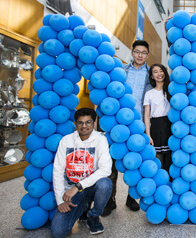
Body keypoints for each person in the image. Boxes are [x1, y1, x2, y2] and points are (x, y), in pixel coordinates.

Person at [104, 40, 152, 216]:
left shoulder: (151, 74)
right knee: (112, 163)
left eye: (144, 52)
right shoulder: (121, 71)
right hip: (118, 122)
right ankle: (110, 200)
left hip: (139, 123)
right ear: (132, 53)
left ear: (147, 55)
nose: (140, 55)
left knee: (135, 162)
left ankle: (132, 198)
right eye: (137, 52)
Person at [51, 108, 112, 237]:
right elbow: (58, 171)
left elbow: (106, 169)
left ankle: (93, 215)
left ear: (94, 123)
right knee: (58, 232)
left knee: (105, 183)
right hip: (71, 192)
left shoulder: (101, 140)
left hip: (90, 187)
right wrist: (60, 200)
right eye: (80, 123)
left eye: (88, 122)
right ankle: (83, 208)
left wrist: (78, 186)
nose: (84, 126)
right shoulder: (66, 141)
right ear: (75, 124)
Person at [143, 64, 172, 172]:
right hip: (156, 127)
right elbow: (146, 115)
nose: (159, 74)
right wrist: (148, 135)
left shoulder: (171, 90)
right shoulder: (149, 94)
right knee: (158, 163)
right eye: (155, 72)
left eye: (161, 71)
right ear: (151, 76)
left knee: (170, 161)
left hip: (170, 126)